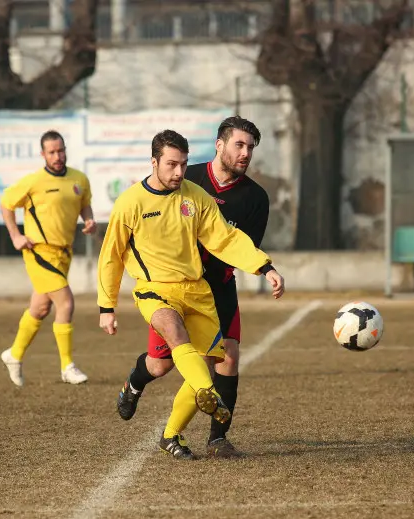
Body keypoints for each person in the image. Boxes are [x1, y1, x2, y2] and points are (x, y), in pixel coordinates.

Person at [97, 129, 284, 460]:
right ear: (154, 163)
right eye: (171, 165)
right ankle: (207, 393)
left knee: (208, 360)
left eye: (183, 164)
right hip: (154, 290)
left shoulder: (195, 196)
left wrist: (263, 267)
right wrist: (106, 306)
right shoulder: (130, 203)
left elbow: (225, 238)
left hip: (197, 291)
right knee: (175, 335)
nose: (179, 173)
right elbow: (111, 256)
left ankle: (170, 435)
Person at [0, 130, 96, 386]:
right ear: (42, 154)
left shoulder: (79, 179)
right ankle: (67, 366)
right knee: (65, 303)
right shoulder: (33, 182)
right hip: (39, 251)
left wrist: (88, 219)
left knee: (40, 308)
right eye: (52, 152)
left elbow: (84, 202)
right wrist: (15, 236)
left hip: (64, 253)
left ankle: (14, 354)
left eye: (61, 150)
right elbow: (6, 204)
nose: (58, 156)